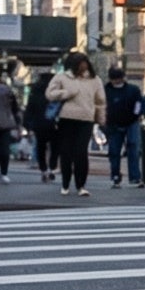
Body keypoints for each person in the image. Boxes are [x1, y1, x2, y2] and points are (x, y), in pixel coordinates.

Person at [46, 53, 104, 199]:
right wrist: (66, 93)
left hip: (86, 119)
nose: (83, 66)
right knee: (66, 152)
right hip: (66, 118)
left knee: (81, 152)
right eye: (80, 64)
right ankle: (65, 184)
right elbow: (49, 94)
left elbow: (100, 101)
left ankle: (81, 185)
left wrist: (100, 117)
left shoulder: (95, 80)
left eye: (85, 63)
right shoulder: (62, 77)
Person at [105, 66, 145, 188]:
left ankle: (119, 176)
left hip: (121, 122)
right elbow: (139, 104)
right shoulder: (132, 90)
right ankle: (131, 176)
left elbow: (138, 104)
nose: (116, 81)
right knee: (127, 149)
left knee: (119, 150)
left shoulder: (107, 90)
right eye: (115, 79)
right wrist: (136, 114)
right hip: (126, 122)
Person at [23, 64, 59, 183]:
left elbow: (29, 109)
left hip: (39, 124)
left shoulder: (35, 92)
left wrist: (27, 125)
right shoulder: (56, 92)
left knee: (40, 147)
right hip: (54, 124)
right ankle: (52, 167)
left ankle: (43, 169)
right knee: (55, 147)